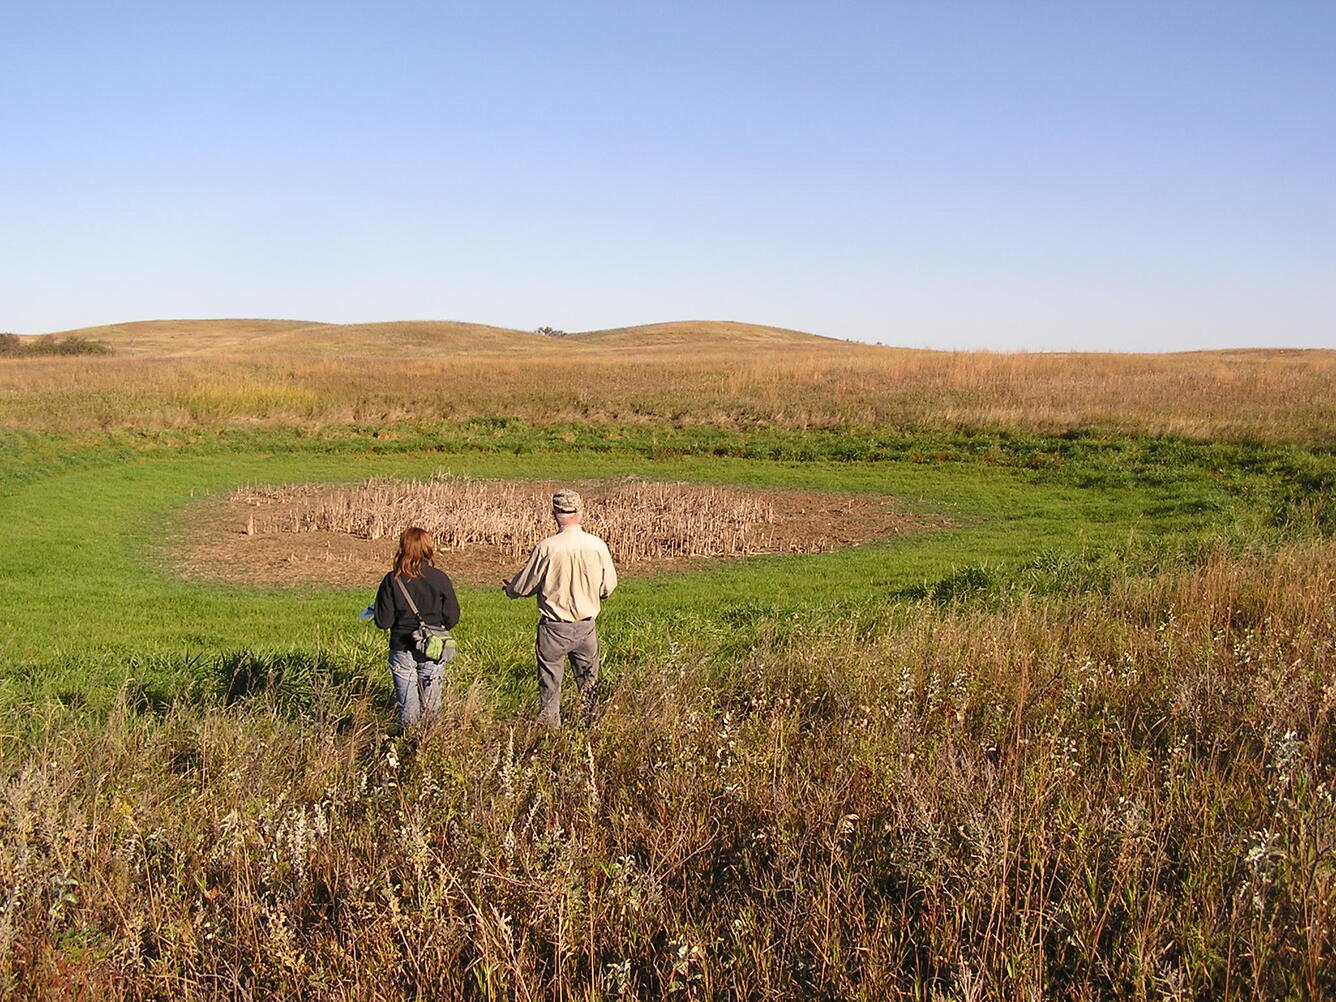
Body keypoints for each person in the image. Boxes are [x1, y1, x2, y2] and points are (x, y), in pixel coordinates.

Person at [503, 489, 618, 728]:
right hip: (586, 627)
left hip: (553, 628)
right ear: (580, 512)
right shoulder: (597, 545)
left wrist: (511, 590)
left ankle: (550, 735)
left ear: (554, 514)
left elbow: (525, 585)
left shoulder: (547, 547)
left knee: (550, 687)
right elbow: (608, 586)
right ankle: (590, 729)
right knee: (589, 685)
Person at [374, 527, 461, 729]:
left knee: (407, 706)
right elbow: (453, 616)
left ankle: (408, 745)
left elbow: (384, 622)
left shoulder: (392, 579)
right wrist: (434, 630)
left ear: (403, 548)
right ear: (428, 549)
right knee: (432, 705)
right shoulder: (440, 578)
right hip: (434, 646)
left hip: (401, 647)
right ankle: (430, 743)